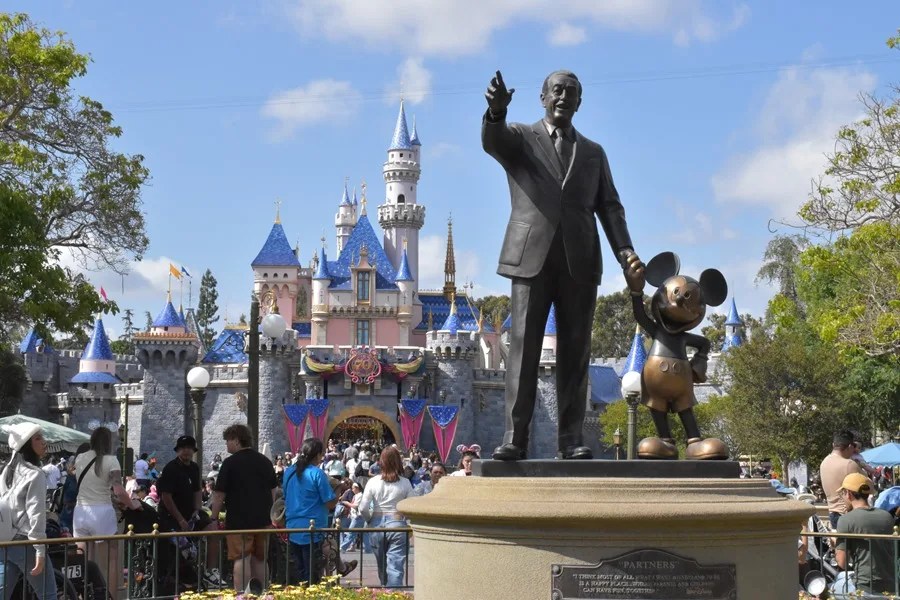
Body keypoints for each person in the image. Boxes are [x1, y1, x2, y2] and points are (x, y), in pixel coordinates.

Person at [482, 69, 644, 461]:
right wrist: (496, 113)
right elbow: (494, 142)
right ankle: (514, 439)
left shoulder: (593, 152)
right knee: (522, 350)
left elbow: (610, 207)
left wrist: (626, 252)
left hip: (581, 262)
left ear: (580, 102)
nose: (564, 97)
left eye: (572, 92)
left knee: (575, 352)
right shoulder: (521, 138)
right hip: (530, 260)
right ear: (542, 97)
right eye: (557, 90)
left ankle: (570, 440)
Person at [209, 424, 277, 592]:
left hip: (239, 521)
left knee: (241, 558)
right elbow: (273, 490)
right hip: (263, 519)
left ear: (236, 440)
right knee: (260, 559)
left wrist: (214, 517)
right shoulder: (265, 461)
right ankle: (263, 595)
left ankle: (242, 595)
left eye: (228, 441)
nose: (226, 445)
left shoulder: (229, 463)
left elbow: (219, 495)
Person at [0, 423, 58, 600]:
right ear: (26, 444)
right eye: (38, 438)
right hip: (27, 544)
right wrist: (40, 550)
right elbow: (36, 515)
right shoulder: (35, 474)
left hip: (6, 542)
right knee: (48, 594)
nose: (44, 442)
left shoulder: (6, 472)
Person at [74, 427, 132, 600]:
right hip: (102, 512)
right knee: (111, 561)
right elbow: (119, 490)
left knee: (82, 561)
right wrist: (132, 505)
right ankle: (111, 596)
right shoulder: (111, 460)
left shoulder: (80, 458)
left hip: (81, 512)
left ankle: (82, 596)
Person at [831, 473, 897, 597]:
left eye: (843, 494)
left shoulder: (846, 520)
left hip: (865, 587)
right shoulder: (886, 516)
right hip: (891, 584)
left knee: (832, 587)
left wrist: (836, 545)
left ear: (849, 494)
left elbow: (841, 562)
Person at [282, 438, 337, 585]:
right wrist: (338, 492)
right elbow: (330, 502)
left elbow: (285, 497)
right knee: (312, 575)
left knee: (299, 573)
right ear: (318, 455)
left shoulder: (289, 472)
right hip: (313, 530)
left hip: (293, 527)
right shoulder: (317, 474)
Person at [360, 446, 414, 588]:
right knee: (395, 565)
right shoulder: (405, 483)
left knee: (381, 563)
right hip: (397, 524)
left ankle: (385, 587)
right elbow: (412, 506)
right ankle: (393, 593)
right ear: (398, 462)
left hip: (376, 524)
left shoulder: (373, 482)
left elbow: (363, 507)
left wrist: (369, 519)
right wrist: (406, 519)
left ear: (381, 462)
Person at [820, 430, 864, 528]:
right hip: (848, 515)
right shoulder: (849, 464)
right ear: (849, 446)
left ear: (833, 445)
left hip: (833, 514)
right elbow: (865, 486)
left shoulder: (824, 463)